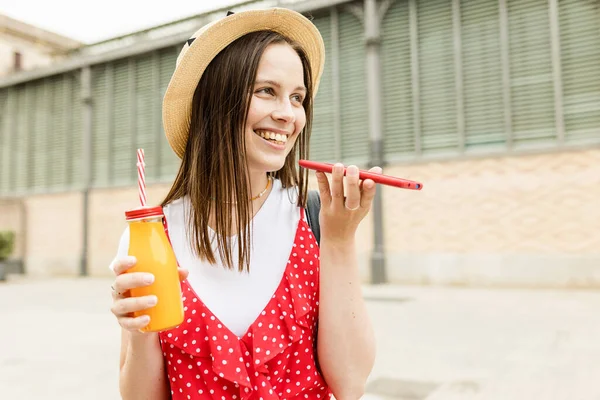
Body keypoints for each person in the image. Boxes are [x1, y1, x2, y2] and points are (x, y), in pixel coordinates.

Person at [109, 8, 379, 400]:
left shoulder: (317, 218)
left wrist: (339, 240)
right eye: (266, 91)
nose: (289, 115)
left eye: (298, 98)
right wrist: (139, 332)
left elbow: (350, 383)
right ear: (215, 101)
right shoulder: (152, 237)